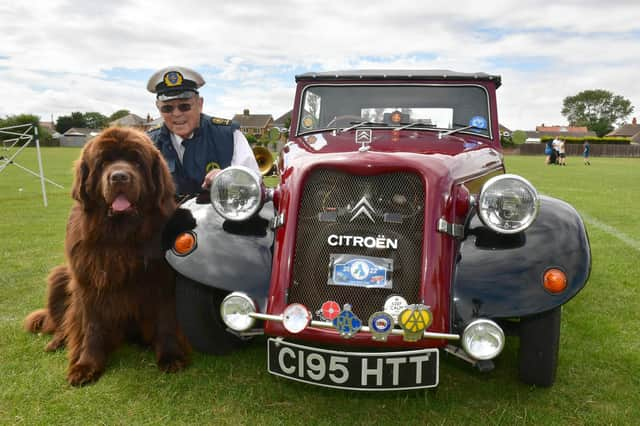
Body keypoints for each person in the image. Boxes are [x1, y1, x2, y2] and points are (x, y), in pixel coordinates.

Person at [146, 66, 259, 196]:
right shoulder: (148, 143)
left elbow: (253, 180)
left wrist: (228, 178)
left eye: (184, 106)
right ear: (158, 108)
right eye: (167, 108)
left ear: (200, 104)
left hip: (218, 214)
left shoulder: (229, 135)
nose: (176, 114)